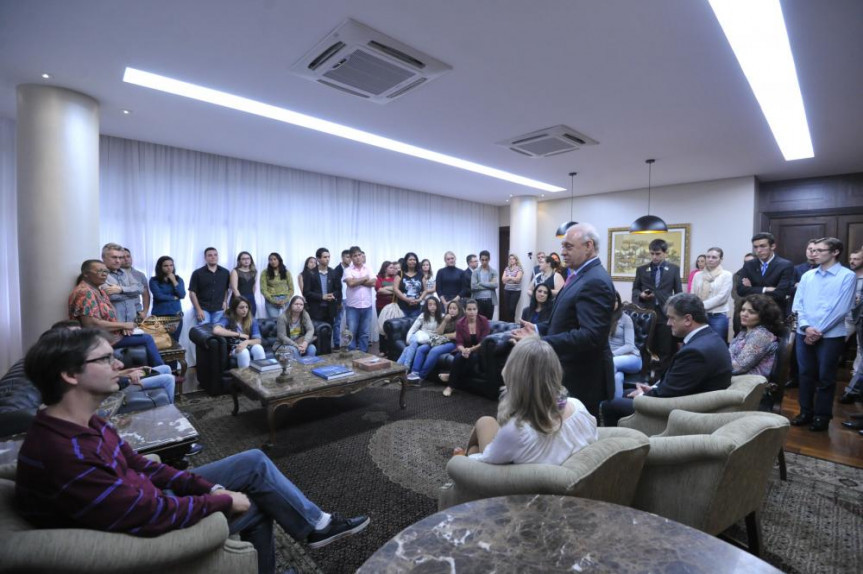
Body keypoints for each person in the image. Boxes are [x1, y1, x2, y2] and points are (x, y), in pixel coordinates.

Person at [16, 328, 369, 574]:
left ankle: (317, 524)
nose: (119, 365)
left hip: (146, 496)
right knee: (259, 502)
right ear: (70, 375)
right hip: (143, 531)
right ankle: (306, 533)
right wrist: (222, 500)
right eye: (106, 360)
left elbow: (141, 465)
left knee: (254, 462)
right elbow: (148, 513)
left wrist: (208, 487)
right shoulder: (63, 453)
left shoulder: (86, 422)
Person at [511, 223, 615, 416]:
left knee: (576, 439)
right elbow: (565, 320)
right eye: (563, 246)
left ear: (588, 246)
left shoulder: (595, 280)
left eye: (568, 246)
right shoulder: (579, 275)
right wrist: (537, 329)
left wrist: (539, 341)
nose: (562, 252)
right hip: (568, 371)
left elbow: (591, 336)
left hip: (583, 377)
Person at [452, 336, 598, 464]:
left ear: (514, 374)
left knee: (476, 443)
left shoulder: (516, 431)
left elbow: (485, 461)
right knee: (485, 422)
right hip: (557, 477)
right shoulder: (578, 407)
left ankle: (465, 454)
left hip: (509, 487)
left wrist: (460, 460)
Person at [600, 293, 733, 427]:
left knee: (610, 404)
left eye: (671, 318)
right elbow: (678, 384)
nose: (668, 323)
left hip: (682, 414)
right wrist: (652, 388)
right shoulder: (708, 338)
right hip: (686, 400)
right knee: (627, 393)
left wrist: (643, 396)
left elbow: (669, 394)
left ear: (688, 319)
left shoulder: (696, 352)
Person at [791, 237, 856, 431]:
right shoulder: (808, 276)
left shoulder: (846, 276)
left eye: (820, 250)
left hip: (831, 336)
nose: (814, 253)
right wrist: (806, 327)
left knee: (825, 377)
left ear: (835, 252)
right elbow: (798, 305)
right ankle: (805, 412)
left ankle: (822, 416)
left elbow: (841, 308)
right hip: (805, 333)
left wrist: (818, 331)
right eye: (813, 250)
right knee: (805, 374)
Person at [68, 259, 165, 367]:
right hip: (96, 340)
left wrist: (120, 327)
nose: (104, 274)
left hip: (111, 335)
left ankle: (155, 373)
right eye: (100, 271)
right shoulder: (85, 292)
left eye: (106, 271)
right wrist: (123, 325)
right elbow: (91, 324)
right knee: (147, 338)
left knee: (146, 334)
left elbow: (140, 288)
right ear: (86, 274)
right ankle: (159, 371)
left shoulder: (97, 289)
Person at [632, 238, 683, 371]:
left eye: (658, 254)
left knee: (665, 348)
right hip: (646, 314)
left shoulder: (673, 269)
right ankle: (644, 374)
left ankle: (662, 378)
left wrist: (660, 297)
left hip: (665, 314)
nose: (654, 257)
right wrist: (641, 296)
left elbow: (678, 294)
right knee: (645, 347)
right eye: (652, 254)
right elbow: (635, 290)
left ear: (665, 253)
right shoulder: (642, 269)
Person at [440, 299, 491, 397]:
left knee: (473, 358)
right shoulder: (460, 323)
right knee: (459, 357)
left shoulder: (483, 320)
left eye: (474, 309)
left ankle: (451, 380)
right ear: (465, 310)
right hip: (465, 350)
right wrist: (463, 350)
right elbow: (459, 342)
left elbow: (483, 341)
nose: (472, 312)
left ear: (477, 310)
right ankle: (450, 387)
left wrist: (470, 350)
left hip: (479, 350)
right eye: (469, 309)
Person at [736, 232, 794, 314]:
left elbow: (780, 293)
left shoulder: (785, 265)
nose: (759, 250)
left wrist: (752, 288)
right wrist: (765, 289)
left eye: (762, 246)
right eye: (755, 247)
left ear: (773, 246)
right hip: (752, 312)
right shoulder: (749, 264)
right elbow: (741, 290)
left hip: (774, 313)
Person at [409, 300, 463, 383]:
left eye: (454, 308)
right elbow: (439, 332)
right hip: (441, 340)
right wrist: (445, 321)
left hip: (453, 343)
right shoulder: (446, 318)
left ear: (459, 310)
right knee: (421, 349)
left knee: (434, 351)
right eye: (450, 308)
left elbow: (456, 335)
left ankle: (421, 377)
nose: (452, 310)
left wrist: (444, 336)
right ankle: (414, 373)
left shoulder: (462, 320)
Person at [730, 295, 783, 377]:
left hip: (749, 383)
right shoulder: (744, 331)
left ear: (764, 316)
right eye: (743, 310)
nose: (744, 314)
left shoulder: (761, 336)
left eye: (751, 312)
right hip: (735, 377)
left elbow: (739, 367)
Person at [691, 247, 733, 341]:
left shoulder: (726, 275)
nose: (710, 259)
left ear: (721, 259)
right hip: (699, 315)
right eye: (708, 257)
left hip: (717, 316)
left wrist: (701, 305)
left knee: (717, 344)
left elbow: (722, 297)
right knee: (699, 343)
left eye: (714, 257)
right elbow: (692, 295)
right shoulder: (698, 275)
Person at [212, 296, 266, 368]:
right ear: (234, 309)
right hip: (235, 347)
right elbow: (216, 330)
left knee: (258, 348)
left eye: (246, 307)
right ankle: (245, 378)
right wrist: (239, 335)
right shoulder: (228, 318)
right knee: (244, 352)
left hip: (248, 345)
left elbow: (258, 340)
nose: (245, 310)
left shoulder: (251, 319)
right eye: (241, 307)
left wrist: (246, 342)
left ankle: (262, 375)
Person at [840, 249, 863, 404]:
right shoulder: (847, 276)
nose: (852, 261)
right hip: (846, 318)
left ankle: (856, 384)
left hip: (860, 318)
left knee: (861, 351)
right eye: (851, 258)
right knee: (834, 343)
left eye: (857, 258)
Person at [342, 246, 376, 352]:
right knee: (351, 332)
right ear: (351, 258)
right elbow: (351, 283)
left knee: (365, 333)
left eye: (359, 255)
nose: (357, 257)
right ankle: (352, 355)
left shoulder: (368, 268)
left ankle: (363, 355)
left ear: (362, 256)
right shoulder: (348, 270)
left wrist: (358, 280)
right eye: (354, 256)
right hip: (353, 306)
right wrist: (365, 278)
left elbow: (373, 283)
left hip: (367, 306)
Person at [609, 291, 641, 399]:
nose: (614, 303)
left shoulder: (625, 319)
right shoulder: (601, 318)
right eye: (611, 300)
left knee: (610, 362)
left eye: (616, 300)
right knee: (617, 377)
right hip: (614, 359)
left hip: (632, 357)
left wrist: (611, 354)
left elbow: (629, 346)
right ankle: (615, 407)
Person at [304, 248, 340, 342]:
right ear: (318, 259)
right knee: (316, 334)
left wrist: (334, 295)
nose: (327, 259)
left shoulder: (333, 272)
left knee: (328, 333)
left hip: (330, 308)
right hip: (316, 309)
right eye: (325, 257)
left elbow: (338, 290)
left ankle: (328, 354)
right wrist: (322, 297)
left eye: (328, 257)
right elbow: (306, 292)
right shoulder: (310, 273)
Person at [102, 242, 144, 324]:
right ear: (103, 258)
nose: (118, 261)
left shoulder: (125, 273)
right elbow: (111, 297)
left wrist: (121, 289)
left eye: (120, 257)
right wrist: (133, 294)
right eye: (114, 257)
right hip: (113, 324)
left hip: (131, 322)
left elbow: (140, 288)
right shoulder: (101, 274)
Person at [397, 297, 441, 372]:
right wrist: (408, 340)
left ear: (437, 306)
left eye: (434, 304)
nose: (432, 306)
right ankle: (404, 368)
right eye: (430, 304)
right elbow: (413, 329)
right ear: (426, 306)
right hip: (419, 337)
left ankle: (398, 370)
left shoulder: (441, 317)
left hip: (428, 340)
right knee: (413, 343)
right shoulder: (423, 315)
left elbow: (439, 333)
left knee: (407, 349)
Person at [189, 247, 231, 324]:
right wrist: (198, 309)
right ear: (205, 258)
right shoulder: (197, 273)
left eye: (215, 255)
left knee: (218, 331)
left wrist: (225, 301)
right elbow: (192, 293)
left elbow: (226, 289)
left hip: (219, 308)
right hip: (203, 308)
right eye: (210, 255)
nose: (213, 257)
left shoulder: (225, 272)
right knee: (204, 332)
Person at [149, 255, 186, 342]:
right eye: (166, 266)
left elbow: (182, 295)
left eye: (171, 265)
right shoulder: (154, 280)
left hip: (175, 315)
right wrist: (173, 297)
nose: (169, 268)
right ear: (160, 267)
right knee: (161, 342)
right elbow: (159, 296)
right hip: (160, 315)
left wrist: (174, 281)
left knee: (174, 341)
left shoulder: (178, 279)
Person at [276, 295, 316, 361]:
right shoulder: (282, 317)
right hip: (286, 344)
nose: (299, 306)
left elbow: (310, 329)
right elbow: (282, 336)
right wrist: (296, 346)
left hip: (300, 341)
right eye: (296, 304)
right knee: (294, 350)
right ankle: (298, 368)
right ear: (291, 305)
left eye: (301, 304)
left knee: (312, 348)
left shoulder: (305, 314)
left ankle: (309, 367)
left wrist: (305, 343)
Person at [260, 252, 294, 318]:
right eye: (270, 260)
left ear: (279, 260)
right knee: (274, 321)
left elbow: (291, 289)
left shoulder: (286, 272)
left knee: (286, 321)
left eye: (275, 259)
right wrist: (274, 301)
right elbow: (263, 289)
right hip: (271, 300)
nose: (273, 261)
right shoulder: (265, 272)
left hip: (284, 299)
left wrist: (285, 300)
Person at [732, 253, 757, 336]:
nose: (747, 264)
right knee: (738, 334)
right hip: (739, 309)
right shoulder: (737, 275)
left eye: (750, 262)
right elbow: (734, 293)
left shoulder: (761, 275)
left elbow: (760, 294)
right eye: (745, 262)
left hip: (755, 311)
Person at [122, 248, 151, 318]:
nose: (126, 259)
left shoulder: (140, 275)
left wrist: (145, 311)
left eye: (128, 256)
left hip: (136, 312)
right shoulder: (113, 275)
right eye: (123, 257)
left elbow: (145, 295)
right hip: (120, 313)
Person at [471, 250, 498, 320]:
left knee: (489, 322)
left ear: (489, 259)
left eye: (486, 260)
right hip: (478, 300)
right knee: (478, 321)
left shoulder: (493, 271)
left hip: (490, 300)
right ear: (480, 260)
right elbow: (473, 286)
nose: (484, 262)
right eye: (482, 260)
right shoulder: (475, 272)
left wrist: (481, 283)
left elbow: (495, 285)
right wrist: (489, 285)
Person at [394, 252, 423, 319]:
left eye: (414, 259)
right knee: (402, 327)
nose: (412, 261)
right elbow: (395, 289)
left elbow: (425, 290)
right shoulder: (400, 273)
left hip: (416, 308)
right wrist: (406, 299)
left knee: (414, 327)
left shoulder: (420, 274)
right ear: (406, 261)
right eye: (410, 259)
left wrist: (420, 299)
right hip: (402, 307)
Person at [332, 249, 351, 349]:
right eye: (347, 257)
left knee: (350, 322)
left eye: (350, 257)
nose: (350, 259)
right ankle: (336, 344)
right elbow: (336, 288)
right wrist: (338, 301)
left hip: (352, 299)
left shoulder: (353, 269)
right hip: (341, 299)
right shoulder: (336, 270)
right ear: (342, 258)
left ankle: (349, 344)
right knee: (337, 323)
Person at [230, 251, 258, 316]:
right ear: (239, 261)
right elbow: (234, 288)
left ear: (251, 260)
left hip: (251, 298)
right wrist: (241, 301)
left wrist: (252, 297)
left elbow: (254, 287)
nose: (246, 261)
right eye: (243, 259)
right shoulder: (235, 271)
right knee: (238, 320)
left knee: (251, 319)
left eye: (248, 258)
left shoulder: (254, 272)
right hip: (238, 298)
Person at [501, 254, 524, 322]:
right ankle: (508, 323)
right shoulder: (507, 268)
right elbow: (503, 280)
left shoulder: (519, 268)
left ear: (516, 260)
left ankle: (512, 323)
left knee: (512, 308)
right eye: (510, 259)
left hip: (515, 291)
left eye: (513, 259)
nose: (511, 260)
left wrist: (509, 277)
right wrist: (513, 278)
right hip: (507, 290)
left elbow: (518, 279)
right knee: (507, 309)